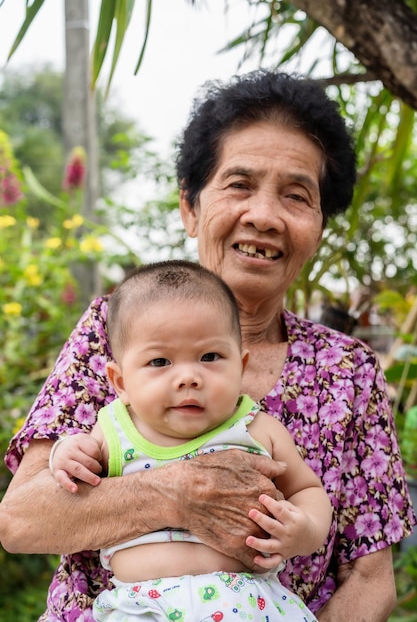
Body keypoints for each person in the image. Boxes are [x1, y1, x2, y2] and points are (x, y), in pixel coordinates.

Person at [0, 69, 415, 622]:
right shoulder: (114, 331)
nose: (264, 216)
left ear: (319, 226)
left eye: (297, 195)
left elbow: (371, 577)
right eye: (239, 185)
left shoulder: (349, 370)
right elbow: (23, 519)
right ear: (191, 208)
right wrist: (178, 492)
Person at [49, 259, 331, 621]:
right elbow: (70, 483)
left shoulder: (257, 427)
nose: (188, 377)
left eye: (210, 357)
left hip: (249, 604)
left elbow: (308, 489)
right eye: (160, 361)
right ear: (120, 382)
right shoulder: (113, 430)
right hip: (142, 607)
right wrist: (64, 454)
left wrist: (303, 530)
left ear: (241, 366)